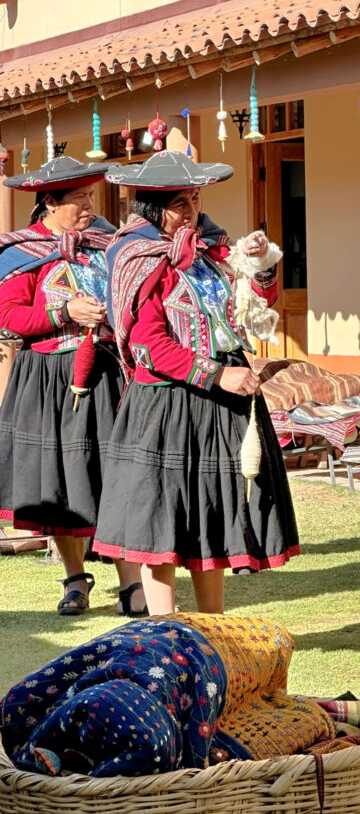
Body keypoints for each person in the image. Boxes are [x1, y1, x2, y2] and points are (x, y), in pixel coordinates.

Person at [93, 150, 300, 616]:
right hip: (166, 403)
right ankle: (164, 628)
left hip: (219, 405)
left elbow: (250, 302)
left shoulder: (210, 250)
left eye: (194, 199)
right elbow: (147, 342)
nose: (191, 210)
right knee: (160, 524)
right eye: (179, 203)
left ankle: (212, 629)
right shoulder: (136, 258)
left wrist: (259, 263)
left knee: (212, 514)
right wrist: (215, 373)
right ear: (151, 209)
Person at [0, 156, 146, 616]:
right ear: (50, 203)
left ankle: (131, 584)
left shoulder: (105, 244)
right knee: (60, 479)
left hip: (104, 372)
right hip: (48, 379)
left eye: (89, 196)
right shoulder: (21, 253)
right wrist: (64, 314)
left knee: (115, 474)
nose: (89, 205)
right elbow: (8, 316)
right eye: (79, 198)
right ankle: (75, 579)